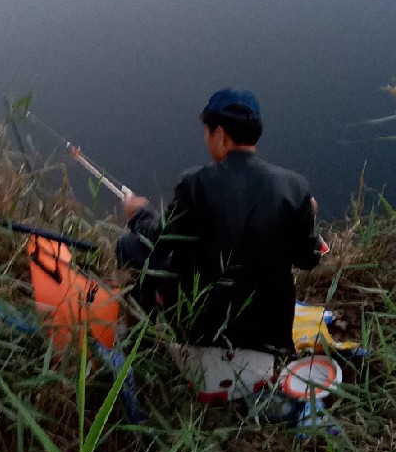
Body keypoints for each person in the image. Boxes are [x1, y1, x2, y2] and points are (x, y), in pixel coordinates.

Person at [115, 88, 322, 404]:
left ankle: (137, 345)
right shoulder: (295, 186)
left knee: (130, 244)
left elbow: (157, 240)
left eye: (207, 133)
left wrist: (137, 212)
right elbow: (308, 258)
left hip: (202, 330)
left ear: (221, 135)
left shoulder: (194, 183)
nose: (206, 141)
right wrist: (309, 217)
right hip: (269, 339)